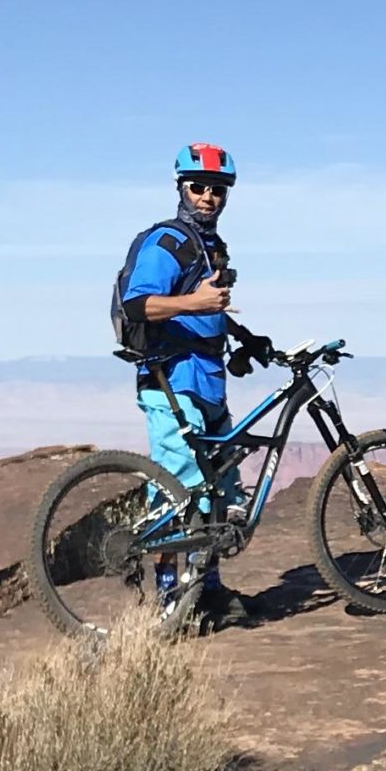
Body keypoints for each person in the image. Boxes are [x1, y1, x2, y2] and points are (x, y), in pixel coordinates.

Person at [115, 141, 269, 619]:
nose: (208, 197)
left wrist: (246, 338)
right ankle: (168, 604)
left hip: (210, 381)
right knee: (178, 490)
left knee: (220, 489)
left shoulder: (211, 247)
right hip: (171, 380)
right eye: (198, 187)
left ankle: (209, 590)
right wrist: (193, 305)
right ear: (181, 188)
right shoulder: (168, 243)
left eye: (217, 190)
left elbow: (212, 310)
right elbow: (137, 305)